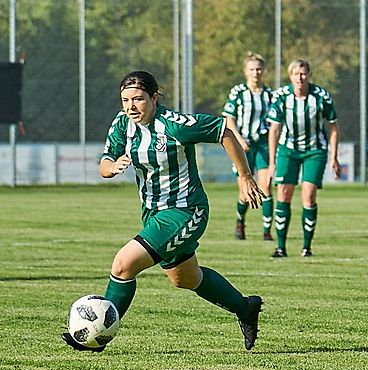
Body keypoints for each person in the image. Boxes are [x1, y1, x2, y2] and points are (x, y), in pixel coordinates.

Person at [62, 71, 265, 352]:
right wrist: (113, 166)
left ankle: (98, 337)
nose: (131, 106)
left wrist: (244, 176)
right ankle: (245, 307)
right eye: (125, 100)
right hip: (153, 215)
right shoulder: (123, 124)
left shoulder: (175, 125)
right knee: (185, 278)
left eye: (138, 99)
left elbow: (224, 131)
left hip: (185, 211)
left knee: (123, 264)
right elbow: (104, 164)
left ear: (154, 98)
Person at [266, 59, 340, 258]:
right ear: (290, 76)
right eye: (296, 74)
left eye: (303, 74)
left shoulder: (321, 96)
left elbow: (333, 126)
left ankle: (307, 247)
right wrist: (272, 162)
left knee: (308, 195)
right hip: (288, 150)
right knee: (283, 193)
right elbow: (274, 130)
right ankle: (280, 247)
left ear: (309, 75)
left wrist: (334, 157)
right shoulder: (281, 96)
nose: (300, 78)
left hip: (314, 151)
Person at [223, 53, 275, 241]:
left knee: (266, 185)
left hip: (262, 144)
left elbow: (275, 122)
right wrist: (238, 139)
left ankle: (267, 231)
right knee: (245, 191)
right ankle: (240, 221)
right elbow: (228, 118)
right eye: (252, 69)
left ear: (264, 71)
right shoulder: (238, 92)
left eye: (259, 69)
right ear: (246, 71)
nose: (256, 73)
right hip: (242, 145)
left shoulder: (270, 94)